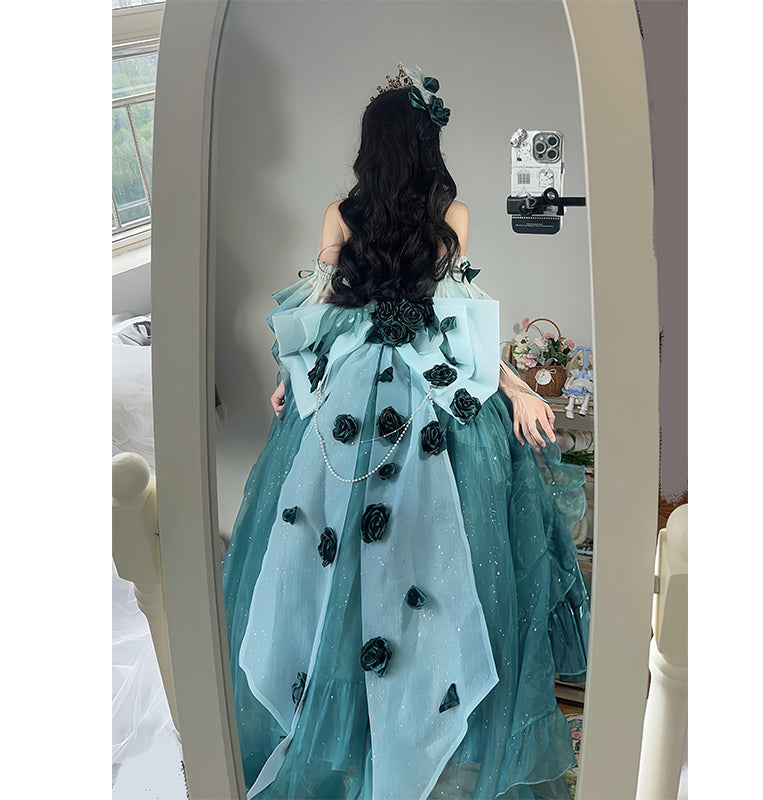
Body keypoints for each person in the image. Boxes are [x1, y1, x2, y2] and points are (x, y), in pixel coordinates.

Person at [222, 63, 591, 800]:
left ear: (372, 149)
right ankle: (370, 732)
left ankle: (411, 732)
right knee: (373, 559)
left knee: (409, 559)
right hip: (391, 381)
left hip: (383, 380)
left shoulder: (363, 214)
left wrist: (517, 387)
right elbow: (355, 312)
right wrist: (291, 376)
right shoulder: (443, 215)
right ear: (426, 148)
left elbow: (447, 320)